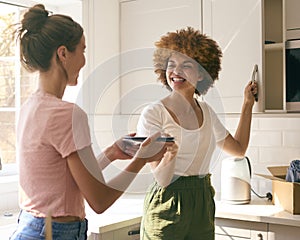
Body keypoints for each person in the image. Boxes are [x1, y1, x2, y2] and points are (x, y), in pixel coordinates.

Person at [10, 4, 177, 240]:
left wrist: (112, 152)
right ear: (63, 54)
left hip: (32, 227)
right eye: (82, 50)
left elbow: (67, 180)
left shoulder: (29, 108)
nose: (84, 60)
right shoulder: (67, 114)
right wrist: (142, 159)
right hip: (54, 233)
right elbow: (99, 200)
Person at [137, 27, 258, 240]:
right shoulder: (153, 114)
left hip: (202, 199)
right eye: (171, 65)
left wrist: (247, 104)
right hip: (167, 202)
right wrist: (170, 155)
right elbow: (162, 179)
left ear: (202, 72)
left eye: (186, 65)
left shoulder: (207, 113)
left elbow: (238, 149)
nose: (176, 71)